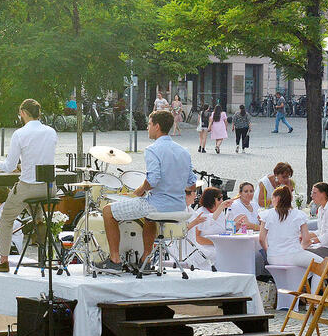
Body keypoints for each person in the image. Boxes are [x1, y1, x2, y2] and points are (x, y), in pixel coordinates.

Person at [99, 110, 195, 271]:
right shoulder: (183, 151)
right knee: (149, 219)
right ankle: (146, 260)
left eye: (149, 124)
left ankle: (114, 260)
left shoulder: (153, 149)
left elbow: (153, 180)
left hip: (157, 205)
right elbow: (191, 184)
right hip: (179, 206)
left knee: (108, 211)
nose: (147, 127)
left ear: (157, 126)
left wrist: (140, 191)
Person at [0, 99, 58, 272]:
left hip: (29, 187)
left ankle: (3, 261)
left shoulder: (20, 133)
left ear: (24, 113)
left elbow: (10, 166)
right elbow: (40, 157)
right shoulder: (51, 132)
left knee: (6, 219)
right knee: (37, 210)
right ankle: (44, 253)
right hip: (49, 187)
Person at [259, 186, 319, 268]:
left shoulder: (267, 214)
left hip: (273, 257)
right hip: (293, 255)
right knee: (322, 265)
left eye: (272, 198)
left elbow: (261, 239)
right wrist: (300, 249)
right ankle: (314, 281)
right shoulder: (299, 214)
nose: (272, 201)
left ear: (277, 198)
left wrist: (268, 251)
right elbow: (306, 240)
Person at [185, 187, 233, 269]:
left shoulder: (191, 210)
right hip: (202, 246)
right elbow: (197, 236)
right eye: (219, 199)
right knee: (220, 254)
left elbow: (209, 221)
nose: (196, 195)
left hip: (217, 244)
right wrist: (217, 243)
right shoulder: (199, 212)